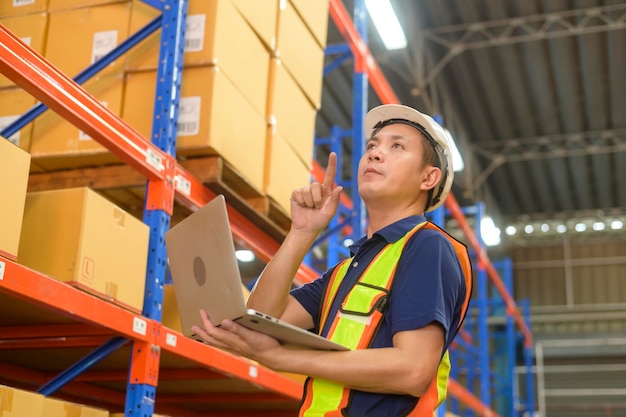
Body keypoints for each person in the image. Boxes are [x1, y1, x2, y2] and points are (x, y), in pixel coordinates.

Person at [192, 104, 473, 416]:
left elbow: (412, 370)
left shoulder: (427, 246)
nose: (375, 154)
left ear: (428, 177)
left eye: (397, 146)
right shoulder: (343, 273)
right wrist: (301, 232)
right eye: (372, 145)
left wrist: (281, 359)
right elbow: (261, 321)